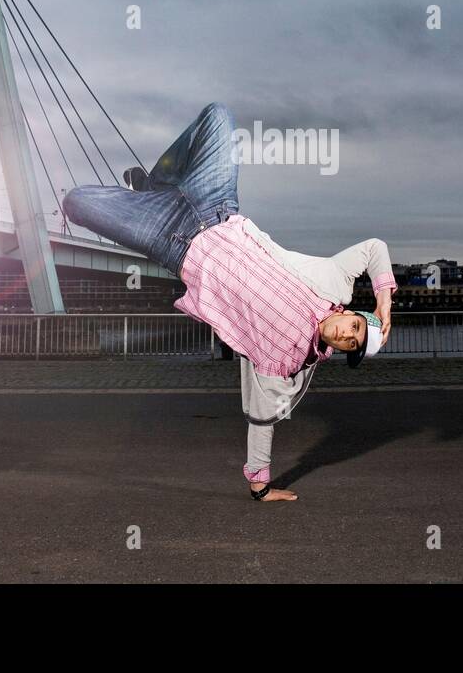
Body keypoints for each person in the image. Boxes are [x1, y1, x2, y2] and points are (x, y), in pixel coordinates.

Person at [62, 102, 396, 502]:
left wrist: (260, 485)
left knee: (76, 203)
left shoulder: (283, 363)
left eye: (350, 345)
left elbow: (262, 419)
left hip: (170, 242)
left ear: (340, 350)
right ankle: (158, 183)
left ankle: (154, 194)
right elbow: (374, 249)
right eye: (355, 328)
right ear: (350, 315)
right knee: (218, 116)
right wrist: (383, 302)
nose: (346, 336)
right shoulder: (333, 283)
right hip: (217, 206)